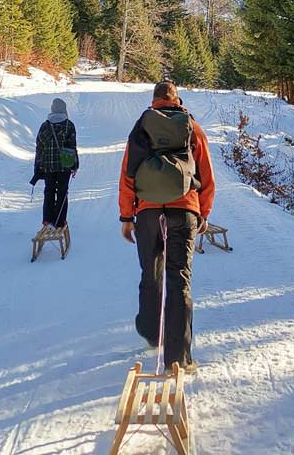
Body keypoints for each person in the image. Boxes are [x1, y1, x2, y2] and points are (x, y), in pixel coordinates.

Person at [118, 81, 215, 372]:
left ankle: (151, 331)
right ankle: (179, 358)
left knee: (151, 272)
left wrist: (126, 217)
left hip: (148, 213)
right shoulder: (192, 129)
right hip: (184, 211)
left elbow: (128, 175)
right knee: (179, 279)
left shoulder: (141, 129)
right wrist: (203, 214)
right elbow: (207, 177)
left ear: (154, 100)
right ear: (177, 100)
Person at [32, 97, 78, 229]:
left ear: (52, 109)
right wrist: (74, 165)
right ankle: (60, 221)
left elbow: (39, 147)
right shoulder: (69, 125)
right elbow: (72, 147)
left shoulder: (45, 126)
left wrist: (38, 167)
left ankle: (47, 220)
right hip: (64, 166)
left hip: (48, 166)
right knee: (62, 193)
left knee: (49, 191)